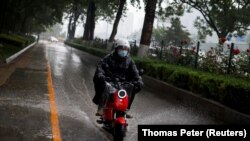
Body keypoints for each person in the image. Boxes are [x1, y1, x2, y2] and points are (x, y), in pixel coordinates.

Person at [92, 38, 143, 118]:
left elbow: (135, 72)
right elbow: (100, 67)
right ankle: (101, 107)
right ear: (116, 49)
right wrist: (100, 75)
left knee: (133, 87)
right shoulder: (108, 58)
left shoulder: (130, 61)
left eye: (126, 49)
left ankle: (125, 109)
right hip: (109, 81)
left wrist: (138, 80)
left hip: (124, 83)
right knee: (105, 85)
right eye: (121, 48)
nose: (123, 50)